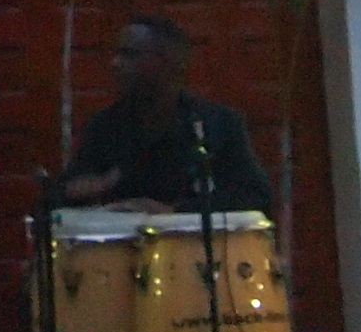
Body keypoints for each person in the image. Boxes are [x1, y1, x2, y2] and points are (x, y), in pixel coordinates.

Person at [60, 16, 272, 218]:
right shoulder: (105, 125)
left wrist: (175, 213)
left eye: (129, 54)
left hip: (191, 250)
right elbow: (59, 199)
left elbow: (256, 198)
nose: (115, 63)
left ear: (169, 62)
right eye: (117, 54)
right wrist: (97, 185)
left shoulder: (216, 123)